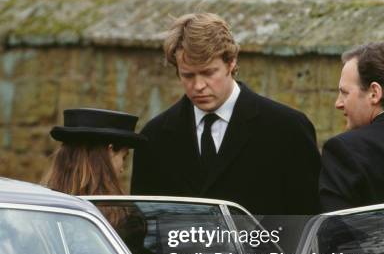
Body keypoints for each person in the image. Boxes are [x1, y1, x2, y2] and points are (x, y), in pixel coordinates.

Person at [131, 12, 321, 217]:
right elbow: (143, 228)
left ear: (231, 63)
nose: (198, 86)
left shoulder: (287, 129)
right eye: (188, 75)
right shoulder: (154, 137)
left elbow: (308, 222)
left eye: (208, 72)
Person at [44, 107, 152, 254]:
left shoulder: (40, 209)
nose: (122, 169)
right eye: (123, 157)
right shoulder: (125, 218)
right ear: (110, 151)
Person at [319, 41, 384, 211]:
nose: (338, 103)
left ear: (374, 93)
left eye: (345, 93)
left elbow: (336, 232)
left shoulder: (344, 150)